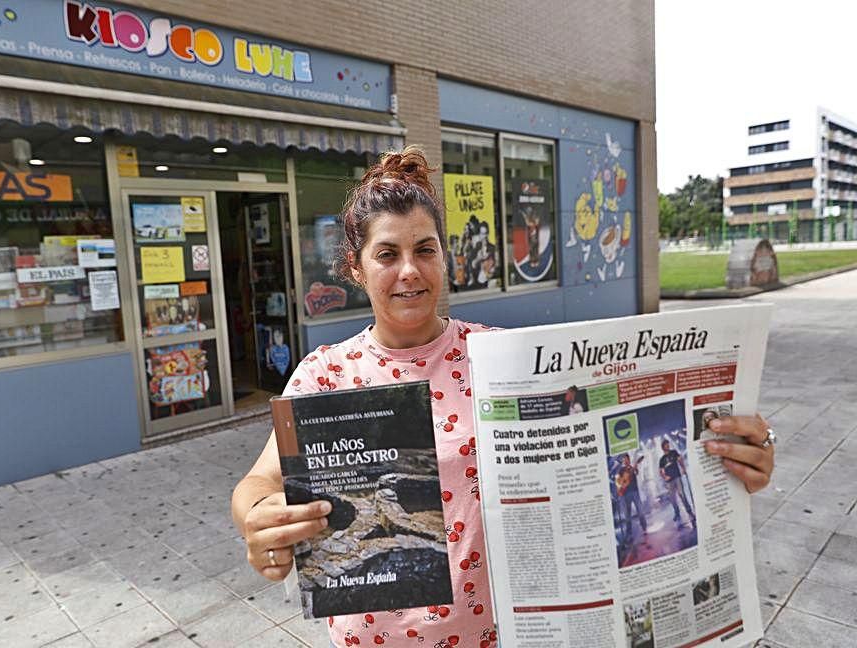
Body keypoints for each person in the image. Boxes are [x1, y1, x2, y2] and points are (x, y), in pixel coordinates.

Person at [230, 146, 777, 648]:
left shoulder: (501, 358)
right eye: (386, 254)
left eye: (425, 249)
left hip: (503, 634)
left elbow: (598, 451)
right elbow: (258, 483)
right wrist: (261, 519)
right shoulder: (325, 375)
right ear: (355, 267)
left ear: (445, 257)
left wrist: (733, 453)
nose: (410, 271)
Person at [659, 439, 695, 526]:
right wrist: (665, 477)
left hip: (677, 477)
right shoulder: (662, 459)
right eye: (666, 445)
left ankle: (689, 512)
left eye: (668, 444)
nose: (668, 446)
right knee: (672, 499)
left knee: (682, 494)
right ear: (663, 447)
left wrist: (683, 468)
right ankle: (677, 513)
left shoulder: (673, 452)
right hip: (669, 481)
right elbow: (660, 471)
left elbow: (680, 459)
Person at [615, 453, 646, 544]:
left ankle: (644, 528)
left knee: (640, 511)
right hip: (625, 494)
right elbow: (617, 480)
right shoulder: (621, 470)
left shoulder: (633, 467)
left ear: (629, 459)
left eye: (626, 459)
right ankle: (629, 534)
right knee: (627, 516)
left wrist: (635, 468)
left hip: (634, 492)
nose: (625, 461)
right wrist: (620, 486)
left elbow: (636, 472)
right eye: (624, 459)